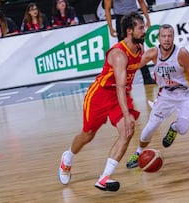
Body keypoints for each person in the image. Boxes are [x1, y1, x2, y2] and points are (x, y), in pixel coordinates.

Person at [58, 12, 146, 192]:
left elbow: (125, 86)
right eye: (141, 28)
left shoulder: (140, 49)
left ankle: (104, 177)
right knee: (88, 135)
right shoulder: (119, 54)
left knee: (127, 131)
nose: (144, 31)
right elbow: (120, 87)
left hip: (119, 96)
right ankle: (68, 157)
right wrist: (128, 114)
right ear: (129, 31)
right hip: (100, 95)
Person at [126, 24, 189, 168]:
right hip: (166, 94)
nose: (167, 39)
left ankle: (174, 127)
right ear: (158, 38)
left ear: (174, 37)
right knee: (150, 128)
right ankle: (138, 153)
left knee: (183, 129)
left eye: (169, 36)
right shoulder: (152, 53)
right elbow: (131, 67)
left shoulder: (182, 54)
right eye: (163, 36)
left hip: (186, 94)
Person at [104, 0, 156, 85]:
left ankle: (146, 77)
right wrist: (110, 26)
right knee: (123, 51)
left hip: (134, 16)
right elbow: (107, 8)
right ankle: (122, 80)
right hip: (121, 19)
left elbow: (141, 2)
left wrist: (147, 18)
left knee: (139, 48)